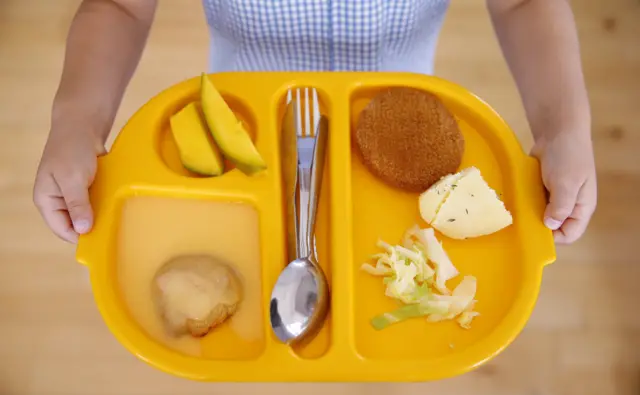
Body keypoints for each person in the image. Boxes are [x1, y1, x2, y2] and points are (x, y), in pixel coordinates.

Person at [33, 0, 597, 245]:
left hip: (401, 118)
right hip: (247, 119)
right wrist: (77, 120)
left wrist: (563, 124)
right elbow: (122, 6)